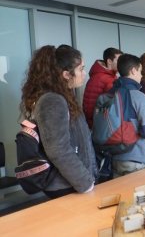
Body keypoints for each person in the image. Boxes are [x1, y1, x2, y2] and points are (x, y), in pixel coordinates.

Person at [20, 45, 96, 199]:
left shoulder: (63, 97)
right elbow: (58, 150)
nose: (84, 73)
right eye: (81, 69)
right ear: (67, 74)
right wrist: (85, 182)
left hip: (72, 183)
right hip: (67, 186)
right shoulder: (52, 101)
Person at [109, 54, 145, 177]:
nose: (141, 75)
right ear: (133, 70)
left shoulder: (110, 93)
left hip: (114, 158)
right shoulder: (138, 96)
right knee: (139, 196)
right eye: (140, 71)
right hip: (136, 159)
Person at [83, 47, 123, 128]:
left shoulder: (111, 76)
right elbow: (89, 106)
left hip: (103, 124)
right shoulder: (100, 78)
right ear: (109, 61)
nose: (122, 63)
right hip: (99, 126)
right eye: (119, 60)